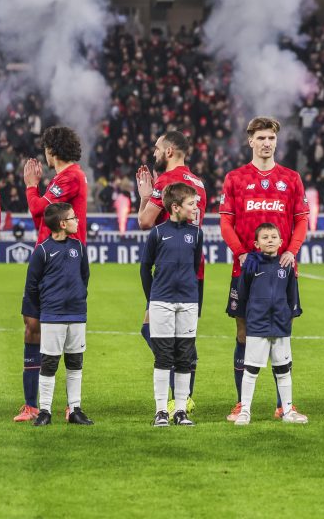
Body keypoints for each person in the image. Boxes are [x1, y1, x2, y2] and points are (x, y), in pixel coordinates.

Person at [220, 117, 309, 421]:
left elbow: (301, 220)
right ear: (251, 141)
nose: (267, 143)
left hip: (282, 270)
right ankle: (240, 403)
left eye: (271, 138)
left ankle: (282, 405)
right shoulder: (235, 178)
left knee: (281, 332)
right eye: (261, 138)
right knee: (243, 332)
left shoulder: (291, 178)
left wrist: (292, 251)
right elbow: (225, 222)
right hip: (246, 269)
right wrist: (242, 253)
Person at [18, 126, 88, 422]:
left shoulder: (69, 176)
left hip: (62, 259)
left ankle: (38, 405)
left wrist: (31, 185)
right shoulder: (65, 177)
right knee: (35, 326)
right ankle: (40, 404)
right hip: (57, 256)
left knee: (36, 326)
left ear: (51, 150)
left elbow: (38, 210)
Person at [136, 130, 207, 414]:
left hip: (170, 272)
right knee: (181, 335)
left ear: (169, 152)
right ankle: (183, 391)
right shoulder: (198, 182)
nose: (153, 153)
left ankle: (183, 392)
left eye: (156, 148)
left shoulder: (166, 181)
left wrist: (144, 196)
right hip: (194, 269)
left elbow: (144, 222)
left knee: (155, 331)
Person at [21, 202, 92, 427]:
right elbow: (31, 285)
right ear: (62, 224)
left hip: (77, 314)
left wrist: (78, 297)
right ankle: (45, 411)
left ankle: (75, 409)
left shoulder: (79, 247)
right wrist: (47, 307)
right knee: (49, 363)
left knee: (75, 362)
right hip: (52, 315)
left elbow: (84, 276)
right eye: (73, 218)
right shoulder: (42, 250)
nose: (77, 221)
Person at [140, 182, 203, 427]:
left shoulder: (196, 233)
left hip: (188, 301)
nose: (195, 208)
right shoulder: (157, 233)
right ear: (175, 207)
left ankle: (180, 411)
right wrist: (152, 297)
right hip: (161, 302)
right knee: (164, 356)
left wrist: (194, 298)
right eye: (191, 204)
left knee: (185, 356)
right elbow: (145, 268)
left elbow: (196, 267)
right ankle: (160, 412)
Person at [233, 223, 307, 425]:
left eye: (274, 237)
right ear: (256, 243)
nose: (270, 240)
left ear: (282, 242)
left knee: (283, 369)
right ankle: (245, 411)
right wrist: (248, 320)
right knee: (251, 370)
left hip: (280, 326)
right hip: (257, 325)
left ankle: (288, 411)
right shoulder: (251, 264)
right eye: (265, 237)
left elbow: (293, 296)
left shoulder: (287, 264)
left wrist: (289, 318)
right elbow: (243, 295)